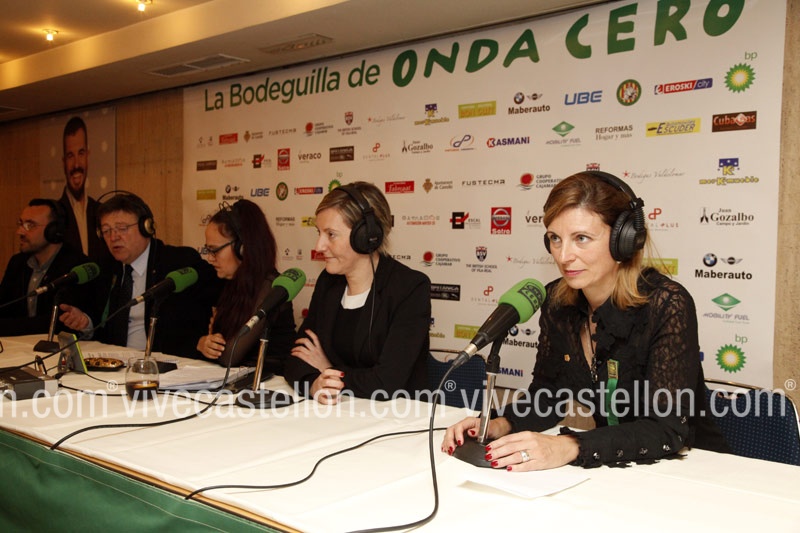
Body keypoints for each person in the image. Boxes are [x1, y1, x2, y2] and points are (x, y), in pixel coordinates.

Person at [442, 171, 729, 470]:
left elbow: (667, 429)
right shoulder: (557, 302)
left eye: (581, 238)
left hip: (694, 467)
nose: (564, 256)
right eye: (555, 239)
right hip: (619, 466)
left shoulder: (667, 303)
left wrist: (570, 445)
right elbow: (547, 398)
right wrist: (499, 424)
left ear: (624, 240)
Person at [284, 182, 431, 404]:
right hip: (337, 413)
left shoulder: (409, 288)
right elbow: (296, 359)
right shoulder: (328, 283)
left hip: (395, 415)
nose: (319, 246)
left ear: (366, 236)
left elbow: (386, 383)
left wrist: (328, 370)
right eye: (319, 233)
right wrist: (314, 385)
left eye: (331, 234)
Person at [58, 192, 222, 357]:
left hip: (165, 364)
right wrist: (86, 323)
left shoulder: (179, 262)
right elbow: (104, 326)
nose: (113, 237)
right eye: (106, 231)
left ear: (147, 227)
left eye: (122, 228)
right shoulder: (105, 268)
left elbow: (221, 296)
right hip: (113, 363)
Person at [196, 200, 296, 375]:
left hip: (271, 384)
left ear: (241, 248)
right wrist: (204, 343)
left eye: (215, 250)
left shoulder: (271, 287)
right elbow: (219, 344)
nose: (210, 258)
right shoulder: (230, 283)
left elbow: (230, 356)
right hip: (238, 380)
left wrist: (217, 348)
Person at [0, 198, 94, 336]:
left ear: (53, 231)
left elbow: (58, 323)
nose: (20, 232)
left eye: (30, 225)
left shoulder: (76, 267)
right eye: (20, 224)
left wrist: (7, 326)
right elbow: (4, 307)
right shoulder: (17, 263)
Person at [57, 116, 110, 263]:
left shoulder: (101, 212)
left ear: (87, 156)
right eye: (70, 156)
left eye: (81, 153)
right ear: (63, 162)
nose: (76, 164)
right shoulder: (55, 215)